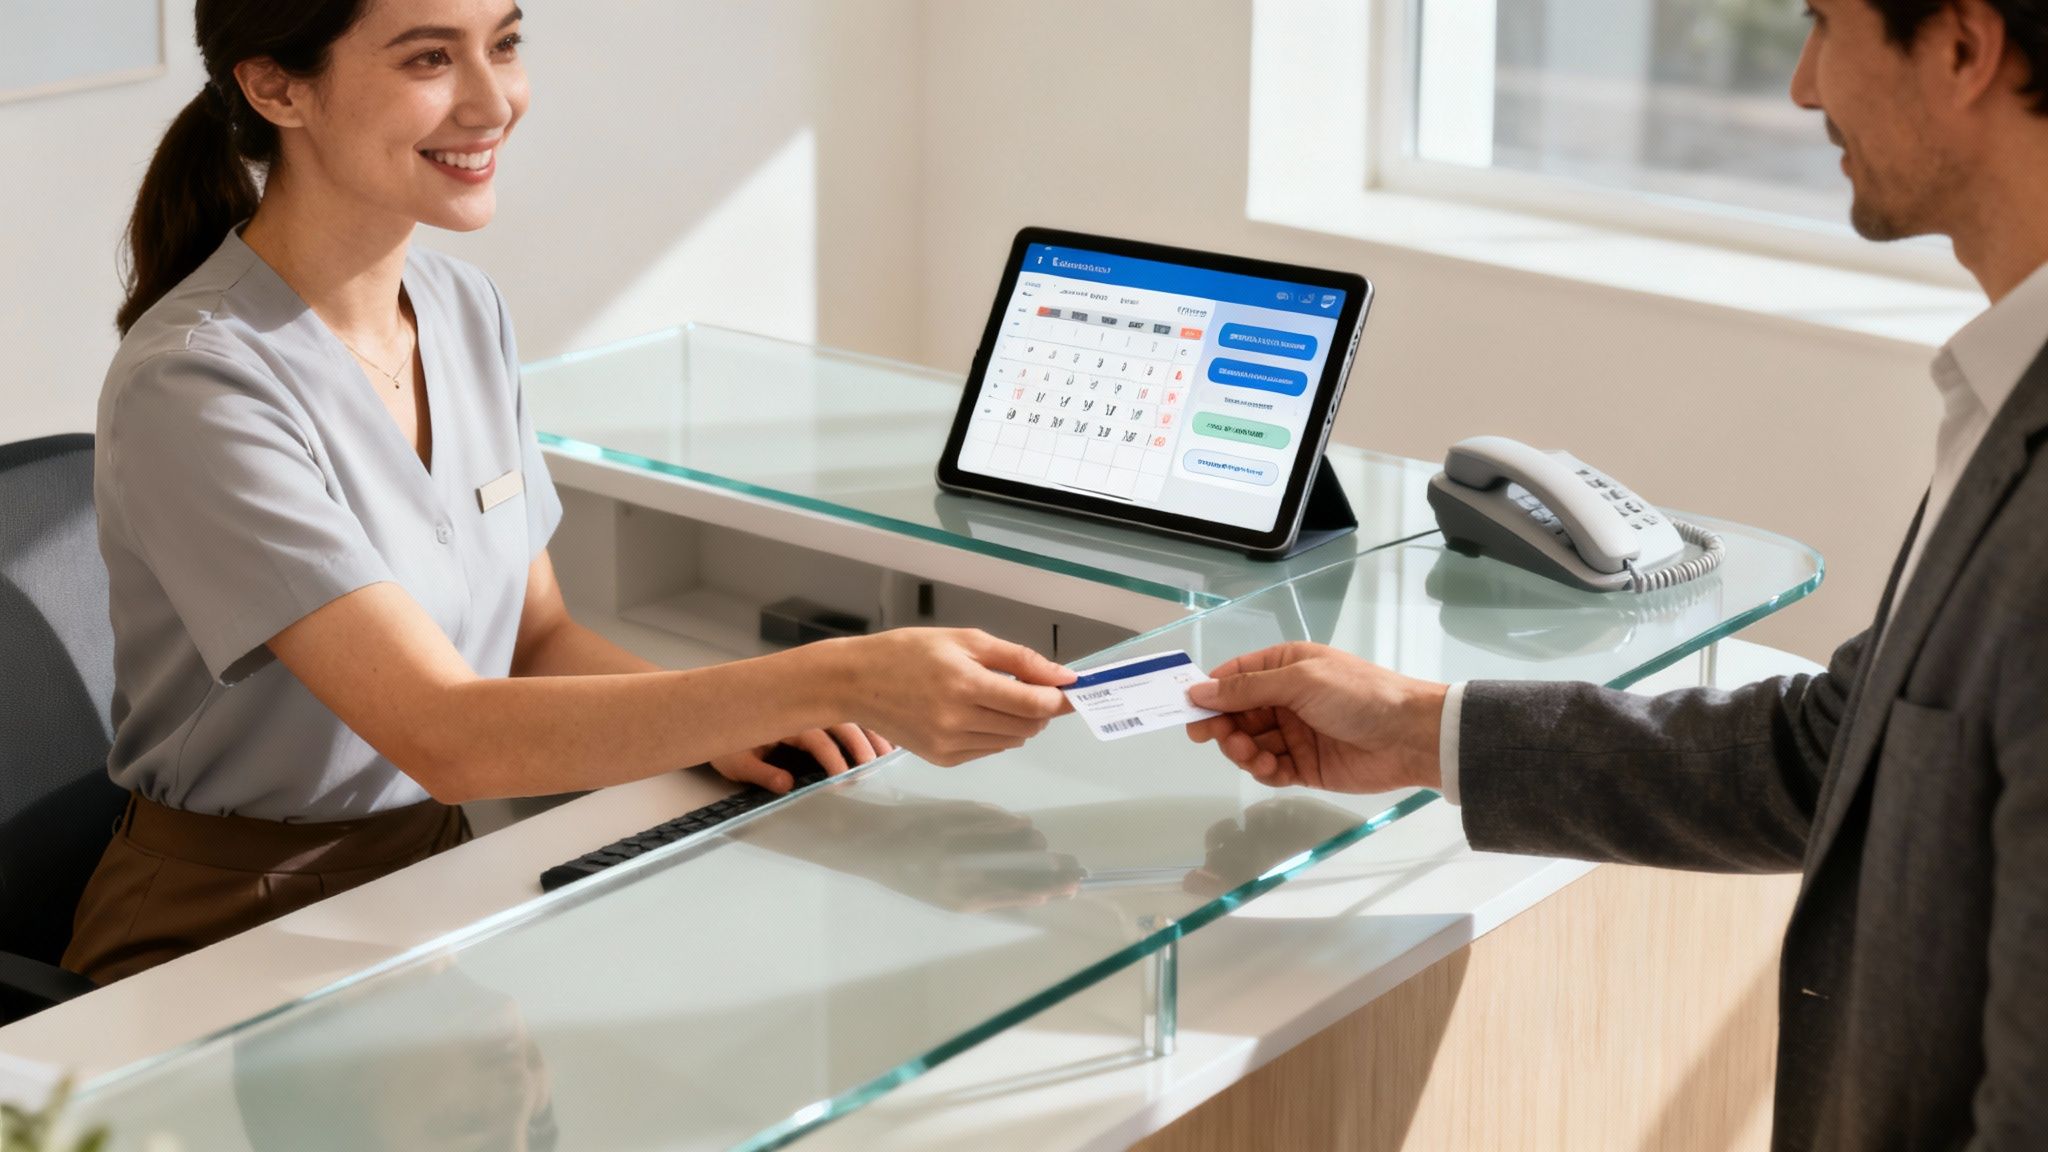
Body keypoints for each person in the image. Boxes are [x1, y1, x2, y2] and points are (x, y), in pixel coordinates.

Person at [64, 0, 1072, 986]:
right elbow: (443, 731)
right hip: (227, 932)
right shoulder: (199, 382)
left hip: (432, 878)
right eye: (428, 59)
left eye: (503, 44)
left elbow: (534, 640)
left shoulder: (461, 309)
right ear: (277, 86)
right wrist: (836, 678)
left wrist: (730, 725)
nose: (491, 100)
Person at [1186, 1, 2048, 1148]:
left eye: (1823, 22)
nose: (1799, 86)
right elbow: (1832, 757)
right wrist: (1410, 727)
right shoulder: (1998, 399)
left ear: (1959, 46)